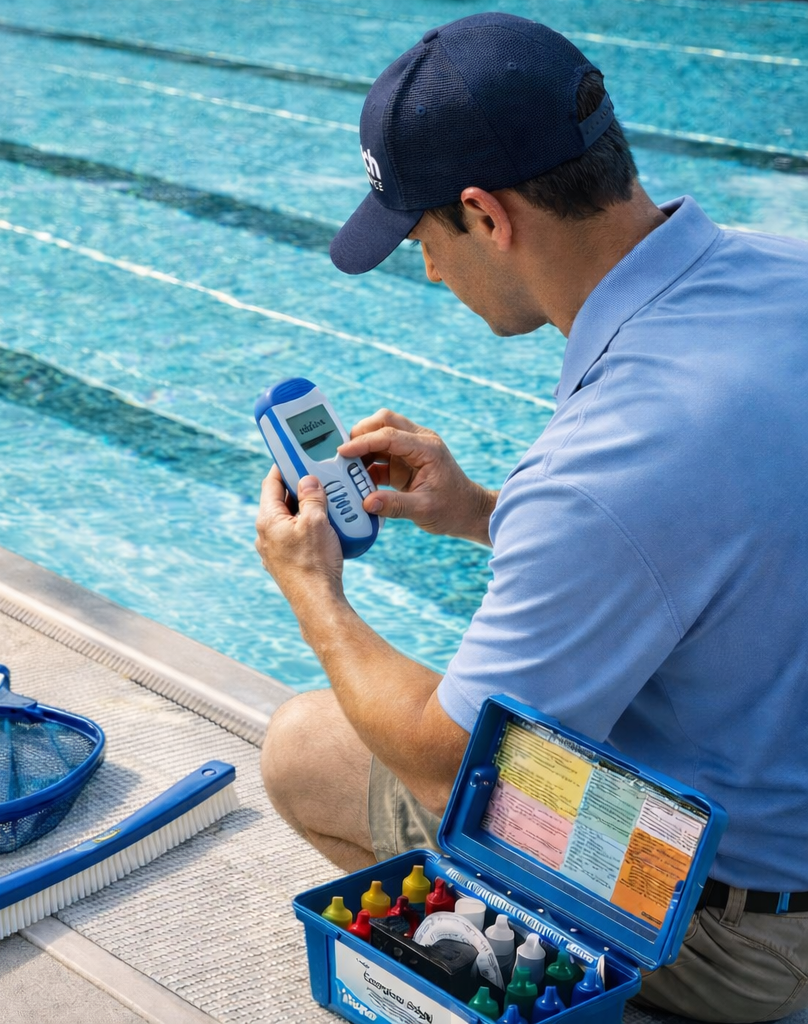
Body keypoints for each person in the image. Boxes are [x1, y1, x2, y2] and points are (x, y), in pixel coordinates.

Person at [254, 13, 808, 1024]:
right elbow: (706, 545)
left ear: (486, 215)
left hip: (747, 934)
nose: (428, 271)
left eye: (422, 239)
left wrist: (312, 591)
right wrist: (474, 512)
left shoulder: (603, 462)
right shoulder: (784, 272)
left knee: (306, 746)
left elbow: (443, 757)